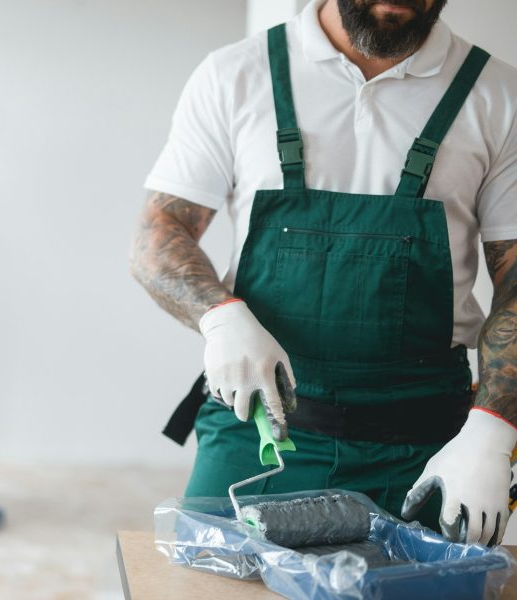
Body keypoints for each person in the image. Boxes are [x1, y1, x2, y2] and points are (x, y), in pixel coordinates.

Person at [131, 0, 517, 546]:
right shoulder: (237, 74)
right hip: (260, 433)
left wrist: (493, 430)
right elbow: (159, 229)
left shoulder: (499, 96)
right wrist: (219, 318)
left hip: (429, 448)